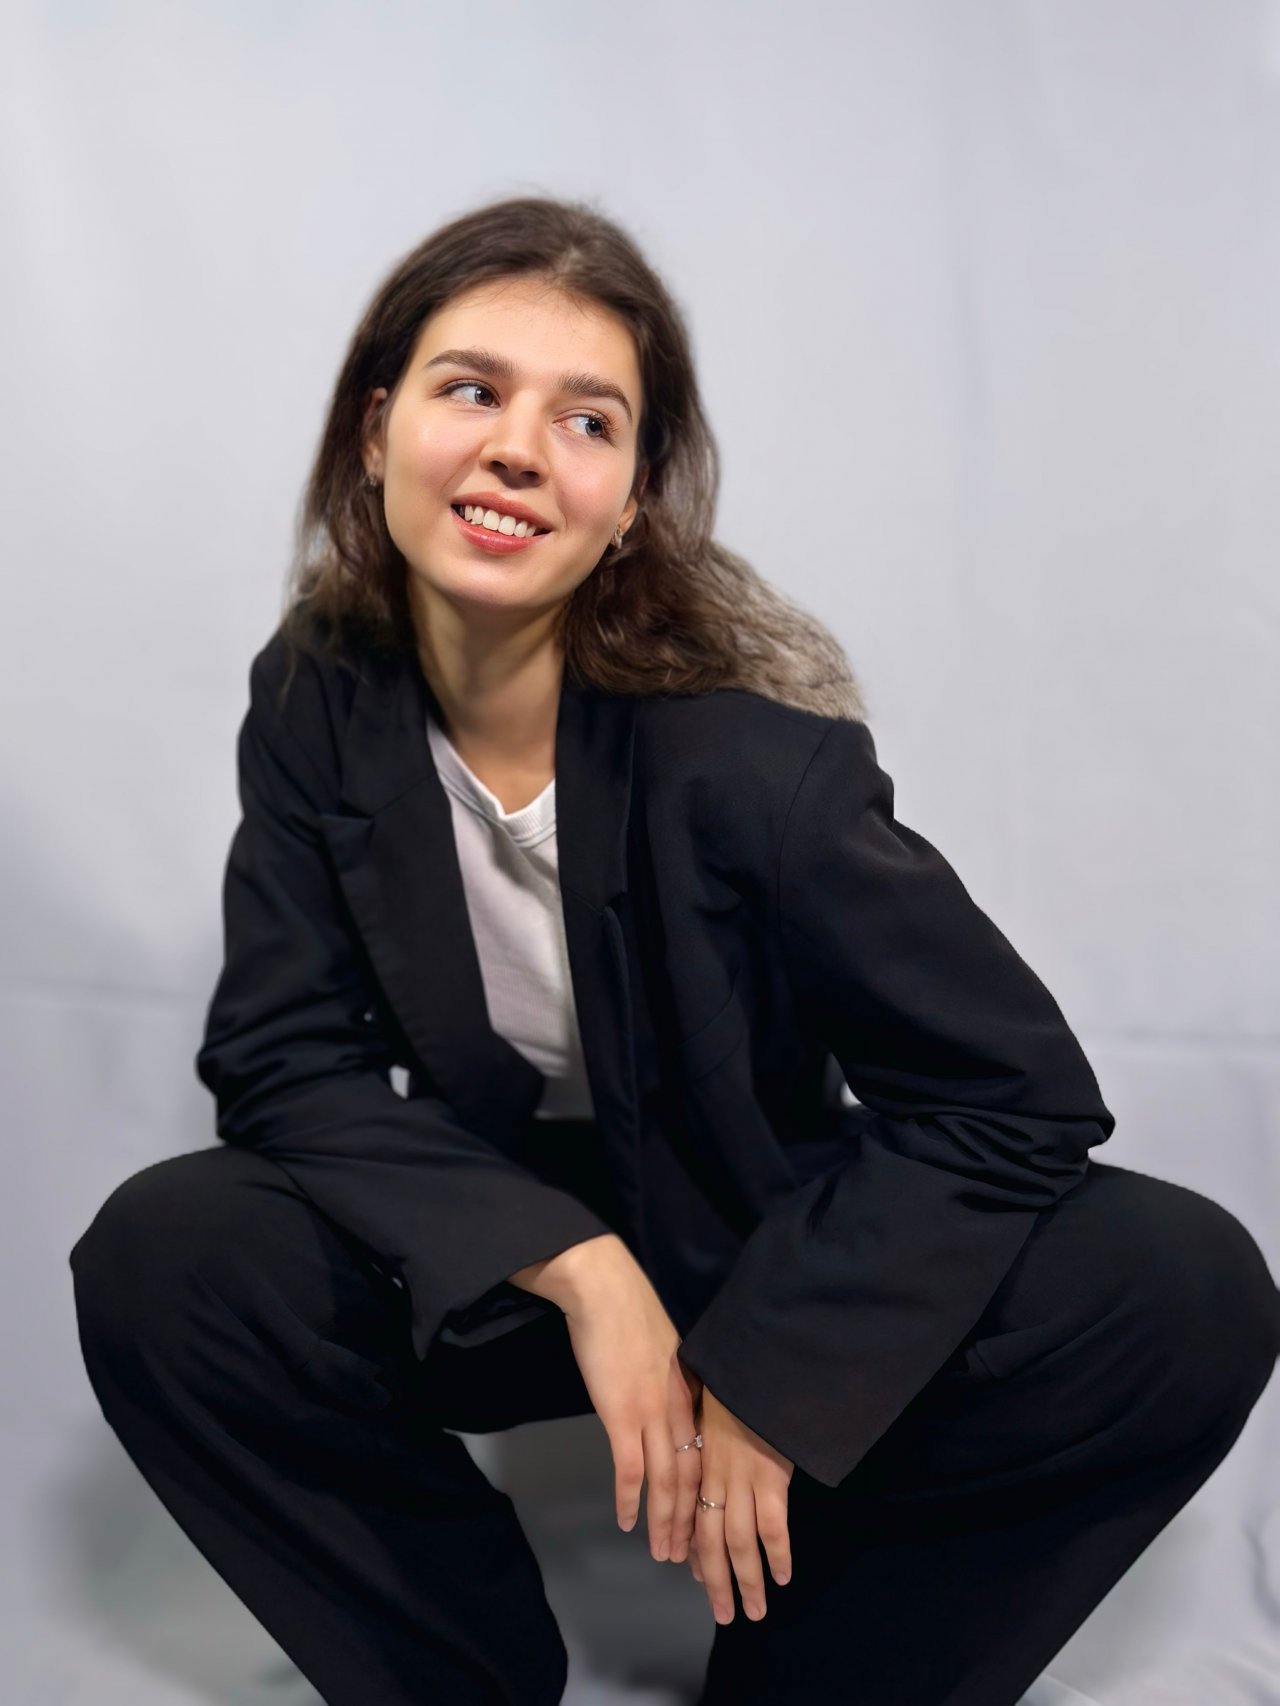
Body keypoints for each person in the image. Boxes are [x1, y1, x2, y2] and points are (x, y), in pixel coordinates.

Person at [70, 194, 1280, 1706]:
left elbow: (1010, 1095)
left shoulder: (751, 756)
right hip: (508, 1239)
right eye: (472, 389)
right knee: (171, 1254)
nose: (520, 448)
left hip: (758, 1216)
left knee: (1182, 1284)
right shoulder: (319, 690)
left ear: (632, 499)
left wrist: (780, 1376)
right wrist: (578, 1266)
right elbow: (283, 1058)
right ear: (377, 431)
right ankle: (460, 1681)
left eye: (587, 420)